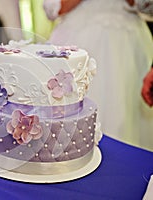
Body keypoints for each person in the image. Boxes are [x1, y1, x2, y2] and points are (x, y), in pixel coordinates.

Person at [43, 0, 153, 151]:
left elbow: (148, 7)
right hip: (77, 40)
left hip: (127, 44)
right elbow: (53, 8)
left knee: (126, 120)